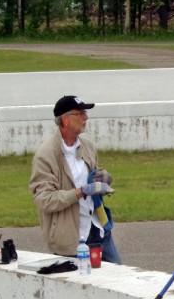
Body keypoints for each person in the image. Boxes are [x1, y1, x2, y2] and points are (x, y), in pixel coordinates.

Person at [30, 95, 121, 263]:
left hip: (98, 229)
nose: (86, 117)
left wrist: (104, 178)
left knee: (120, 279)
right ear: (64, 120)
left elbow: (93, 175)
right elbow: (45, 200)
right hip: (71, 238)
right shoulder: (46, 155)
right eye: (79, 113)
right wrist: (80, 192)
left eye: (85, 113)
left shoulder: (88, 146)